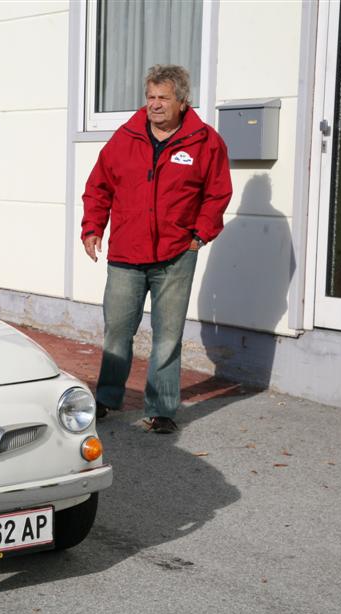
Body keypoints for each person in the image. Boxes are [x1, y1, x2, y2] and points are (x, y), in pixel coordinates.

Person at [81, 64, 232, 434]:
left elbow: (217, 193)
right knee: (117, 330)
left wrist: (200, 234)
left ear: (183, 101)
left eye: (163, 98)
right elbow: (98, 186)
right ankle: (108, 397)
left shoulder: (205, 142)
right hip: (125, 256)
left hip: (176, 255)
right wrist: (92, 228)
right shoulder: (125, 137)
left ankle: (161, 409)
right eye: (150, 97)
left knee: (168, 336)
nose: (155, 104)